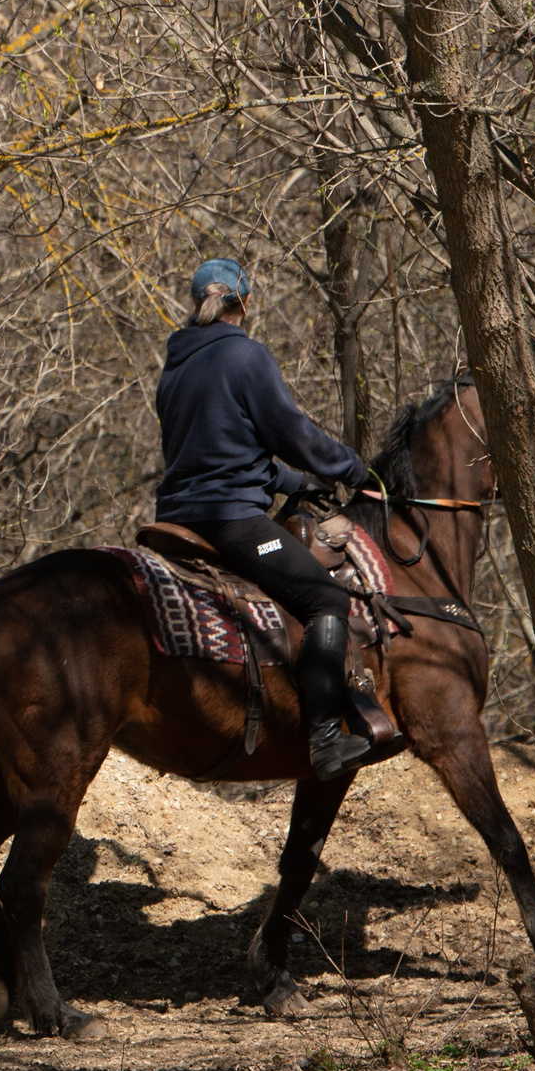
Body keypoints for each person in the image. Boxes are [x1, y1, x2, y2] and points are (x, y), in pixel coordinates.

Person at [153, 258, 374, 781]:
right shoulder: (245, 355)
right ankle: (323, 738)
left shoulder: (175, 367)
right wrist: (349, 467)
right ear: (245, 303)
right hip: (229, 520)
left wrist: (298, 485)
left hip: (177, 517)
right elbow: (291, 432)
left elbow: (221, 452)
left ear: (195, 303)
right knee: (326, 598)